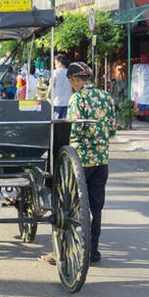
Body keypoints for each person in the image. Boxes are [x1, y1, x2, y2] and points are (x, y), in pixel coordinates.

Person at [42, 62, 115, 265]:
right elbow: (112, 129)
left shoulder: (78, 98)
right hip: (101, 159)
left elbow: (75, 130)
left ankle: (63, 252)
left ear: (74, 79)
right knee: (96, 207)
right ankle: (93, 251)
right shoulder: (106, 97)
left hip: (81, 160)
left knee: (68, 207)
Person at [49, 54, 72, 120]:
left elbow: (51, 86)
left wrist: (47, 95)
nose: (55, 65)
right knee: (66, 123)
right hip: (68, 102)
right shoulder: (69, 72)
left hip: (57, 102)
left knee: (56, 123)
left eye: (55, 63)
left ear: (59, 63)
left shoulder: (55, 72)